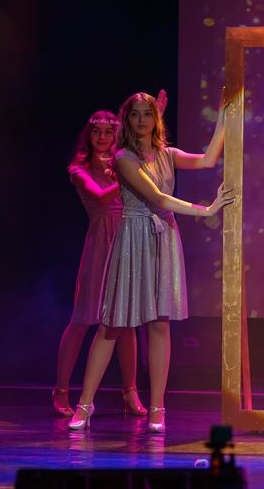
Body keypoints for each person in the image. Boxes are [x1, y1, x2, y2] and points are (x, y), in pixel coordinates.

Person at [68, 90, 233, 433]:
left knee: (160, 323)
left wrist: (223, 115)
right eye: (135, 114)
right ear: (126, 120)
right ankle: (84, 404)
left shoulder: (167, 154)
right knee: (112, 324)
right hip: (133, 239)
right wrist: (206, 210)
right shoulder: (124, 158)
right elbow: (158, 197)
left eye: (147, 113)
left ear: (156, 118)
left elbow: (208, 159)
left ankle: (158, 407)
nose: (141, 120)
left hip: (163, 238)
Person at [53, 110, 145, 418]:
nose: (102, 137)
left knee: (127, 321)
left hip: (127, 237)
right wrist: (129, 177)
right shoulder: (80, 169)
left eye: (108, 132)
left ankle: (130, 391)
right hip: (101, 241)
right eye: (97, 132)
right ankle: (61, 390)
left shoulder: (123, 163)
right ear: (89, 135)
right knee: (82, 320)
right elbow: (101, 197)